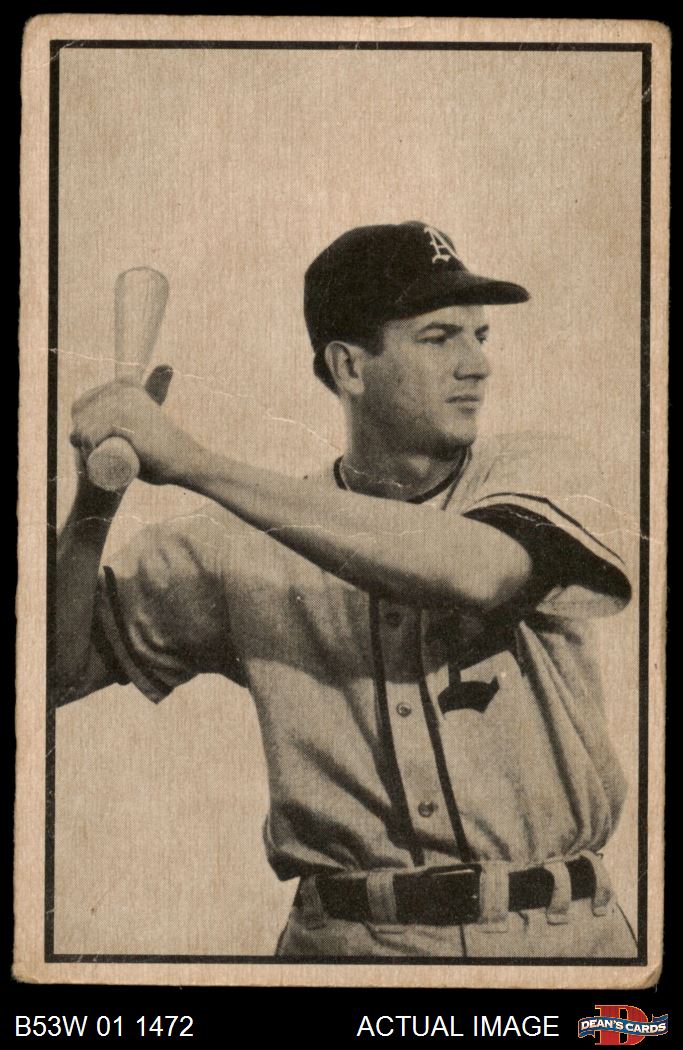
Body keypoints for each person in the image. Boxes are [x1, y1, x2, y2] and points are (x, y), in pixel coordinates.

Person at [57, 220, 636, 959]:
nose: (476, 365)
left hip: (558, 941)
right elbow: (56, 672)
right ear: (349, 367)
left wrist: (191, 460)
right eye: (439, 338)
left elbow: (477, 570)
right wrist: (95, 505)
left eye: (479, 336)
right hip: (345, 949)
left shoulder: (543, 469)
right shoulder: (237, 540)